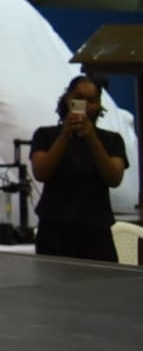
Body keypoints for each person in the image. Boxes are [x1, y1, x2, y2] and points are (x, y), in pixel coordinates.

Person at [29, 75, 129, 262]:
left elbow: (114, 178)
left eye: (91, 100)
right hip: (54, 229)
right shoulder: (45, 135)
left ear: (99, 105)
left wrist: (92, 138)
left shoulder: (111, 140)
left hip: (96, 230)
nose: (84, 105)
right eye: (79, 98)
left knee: (101, 286)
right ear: (68, 99)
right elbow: (41, 172)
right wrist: (65, 135)